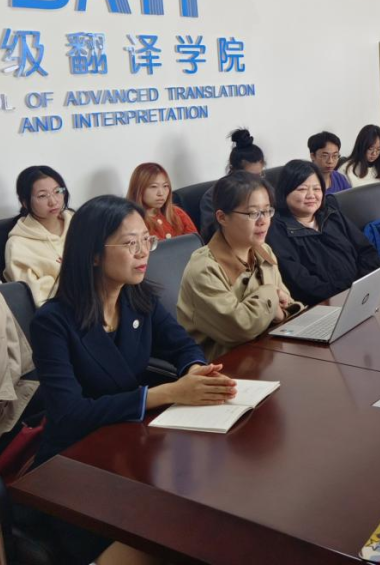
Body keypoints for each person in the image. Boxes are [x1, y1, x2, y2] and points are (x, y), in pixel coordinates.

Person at [30, 195, 233, 565]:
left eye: (146, 240)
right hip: (76, 462)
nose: (143, 252)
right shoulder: (53, 322)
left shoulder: (139, 298)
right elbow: (69, 413)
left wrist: (193, 371)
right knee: (164, 532)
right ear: (94, 254)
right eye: (130, 243)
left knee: (204, 510)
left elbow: (183, 346)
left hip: (130, 445)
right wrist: (165, 393)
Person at [178, 172, 294, 360]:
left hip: (269, 353)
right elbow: (240, 328)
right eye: (253, 213)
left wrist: (278, 311)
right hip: (228, 365)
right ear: (222, 217)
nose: (263, 220)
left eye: (267, 211)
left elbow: (288, 305)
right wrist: (271, 294)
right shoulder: (204, 268)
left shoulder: (263, 250)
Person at [267, 160, 380, 306]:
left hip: (360, 296)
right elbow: (301, 284)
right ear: (285, 192)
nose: (311, 195)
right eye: (302, 189)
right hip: (322, 306)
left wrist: (361, 286)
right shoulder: (275, 230)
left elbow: (366, 251)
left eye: (317, 189)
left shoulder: (330, 213)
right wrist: (346, 293)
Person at [4, 165, 73, 306]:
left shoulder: (78, 221)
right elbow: (35, 298)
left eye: (57, 191)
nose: (53, 201)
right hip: (62, 312)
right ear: (25, 202)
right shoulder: (18, 245)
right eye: (42, 196)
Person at [199, 128, 266, 240]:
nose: (255, 182)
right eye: (249, 176)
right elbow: (210, 235)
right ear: (233, 170)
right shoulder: (212, 197)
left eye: (259, 175)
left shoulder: (264, 190)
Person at [126, 162, 197, 241]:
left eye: (165, 186)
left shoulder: (177, 213)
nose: (161, 193)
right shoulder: (130, 222)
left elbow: (195, 243)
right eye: (153, 187)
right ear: (138, 189)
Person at [340, 124, 380, 199]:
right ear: (362, 147)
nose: (374, 153)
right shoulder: (346, 169)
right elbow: (342, 200)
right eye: (370, 149)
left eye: (378, 149)